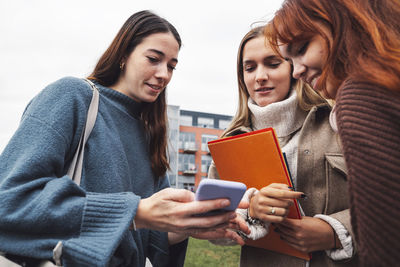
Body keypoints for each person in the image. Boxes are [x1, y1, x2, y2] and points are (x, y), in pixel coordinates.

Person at [0, 10, 249, 267]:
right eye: (154, 59)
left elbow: (149, 236)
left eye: (172, 66)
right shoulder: (72, 97)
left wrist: (188, 224)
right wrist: (134, 212)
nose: (164, 74)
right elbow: (8, 202)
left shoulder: (150, 133)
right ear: (123, 55)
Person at [208, 25, 359, 266]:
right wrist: (251, 211)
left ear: (293, 67)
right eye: (250, 68)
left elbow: (387, 202)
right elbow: (215, 229)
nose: (259, 76)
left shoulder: (339, 123)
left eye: (272, 63)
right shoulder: (229, 143)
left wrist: (335, 231)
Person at [267, 0, 400, 265]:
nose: (297, 71)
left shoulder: (360, 96)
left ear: (346, 23)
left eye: (302, 48)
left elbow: (387, 247)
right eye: (289, 60)